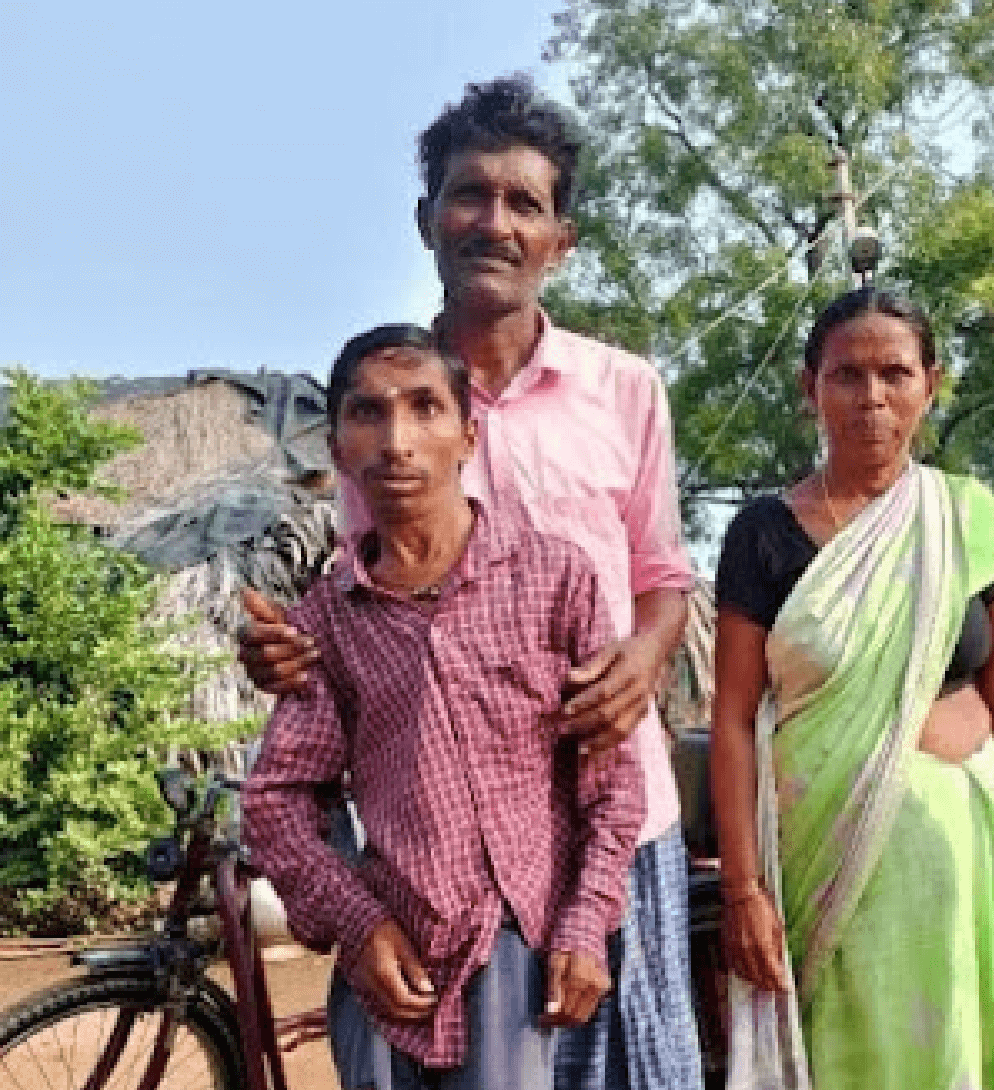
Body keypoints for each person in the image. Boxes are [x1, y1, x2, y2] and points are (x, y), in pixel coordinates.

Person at [237, 78, 703, 1090]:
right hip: (439, 862)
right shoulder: (389, 405)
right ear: (425, 219)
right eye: (468, 194)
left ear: (560, 239)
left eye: (523, 202)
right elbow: (366, 605)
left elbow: (663, 578)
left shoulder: (622, 389)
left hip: (614, 819)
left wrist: (640, 656)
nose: (493, 221)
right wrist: (280, 655)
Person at [241, 323, 643, 1089]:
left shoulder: (554, 579)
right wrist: (356, 926)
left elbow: (610, 782)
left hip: (520, 949)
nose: (398, 441)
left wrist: (586, 921)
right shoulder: (327, 623)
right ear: (337, 448)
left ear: (469, 434)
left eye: (425, 408)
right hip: (393, 958)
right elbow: (277, 799)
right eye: (368, 413)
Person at [710, 286, 994, 1089]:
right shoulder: (762, 534)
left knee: (953, 1048)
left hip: (959, 861)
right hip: (821, 860)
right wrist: (742, 890)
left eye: (895, 373)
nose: (872, 397)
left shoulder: (964, 517)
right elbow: (735, 719)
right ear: (810, 386)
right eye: (847, 375)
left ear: (931, 383)